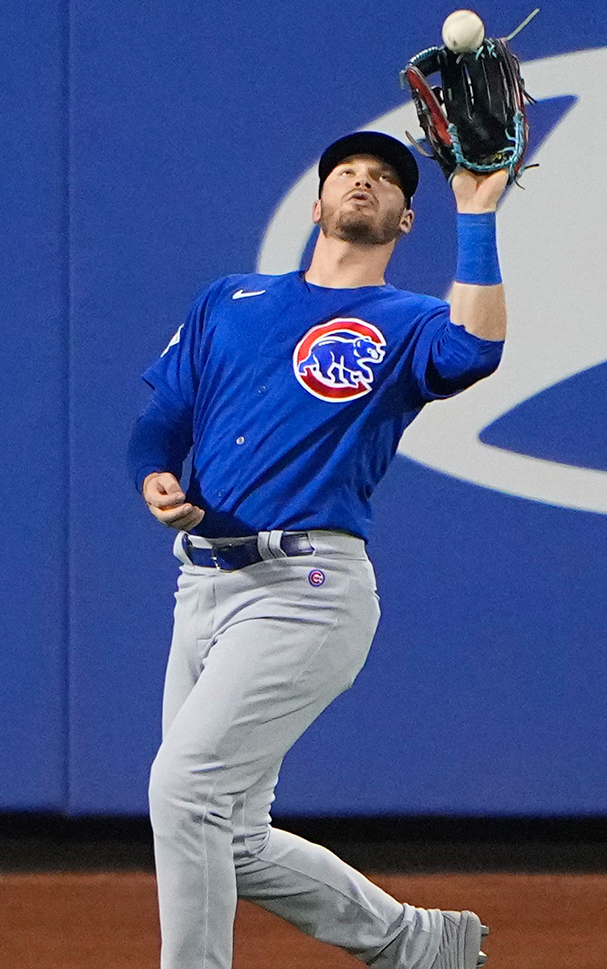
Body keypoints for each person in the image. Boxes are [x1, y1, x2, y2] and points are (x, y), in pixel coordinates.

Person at [127, 129, 509, 969]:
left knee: (185, 791)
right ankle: (417, 943)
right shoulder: (230, 300)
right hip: (203, 587)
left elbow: (476, 349)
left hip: (306, 589)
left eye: (383, 180)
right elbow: (163, 417)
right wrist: (154, 472)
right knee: (223, 833)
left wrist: (477, 212)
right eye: (348, 173)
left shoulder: (406, 323)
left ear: (408, 218)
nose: (363, 184)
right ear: (317, 204)